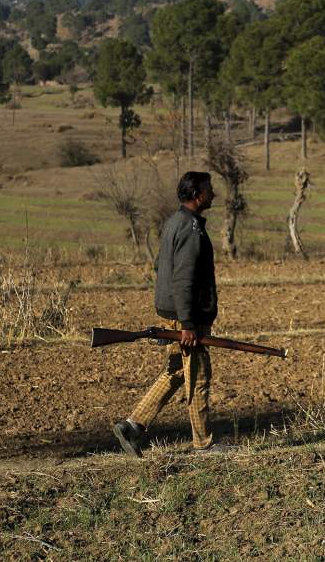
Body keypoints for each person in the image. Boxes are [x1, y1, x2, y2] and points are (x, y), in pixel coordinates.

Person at [113, 171, 223, 456]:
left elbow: (162, 268)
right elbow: (183, 278)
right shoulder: (190, 229)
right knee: (198, 376)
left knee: (175, 372)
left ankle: (133, 425)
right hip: (184, 317)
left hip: (171, 311)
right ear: (197, 195)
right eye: (209, 189)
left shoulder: (175, 222)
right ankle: (204, 443)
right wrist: (187, 323)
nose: (214, 194)